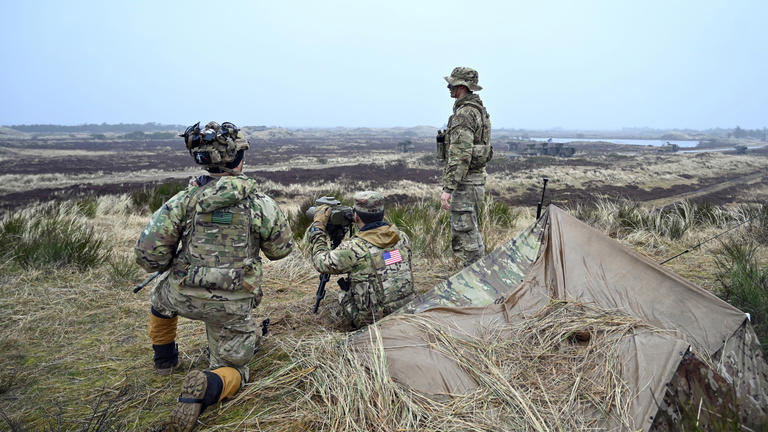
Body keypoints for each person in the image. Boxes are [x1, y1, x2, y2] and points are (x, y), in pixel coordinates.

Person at [134, 121, 293, 432]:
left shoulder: (183, 201)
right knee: (235, 368)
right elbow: (281, 250)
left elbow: (148, 255)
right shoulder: (260, 204)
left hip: (183, 295)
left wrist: (175, 260)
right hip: (232, 306)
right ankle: (208, 384)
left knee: (158, 298)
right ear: (238, 161)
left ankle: (165, 359)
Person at [306, 191, 415, 328]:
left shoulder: (354, 249)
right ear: (382, 214)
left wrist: (318, 227)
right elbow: (386, 258)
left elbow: (320, 262)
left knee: (344, 294)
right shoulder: (402, 237)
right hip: (408, 309)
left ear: (356, 217)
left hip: (374, 322)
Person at [438, 67, 493, 267]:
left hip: (465, 184)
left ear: (461, 86)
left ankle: (475, 281)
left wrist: (448, 189)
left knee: (465, 237)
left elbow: (460, 155)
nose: (448, 87)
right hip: (475, 181)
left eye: (451, 83)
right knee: (470, 232)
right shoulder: (478, 110)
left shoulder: (465, 114)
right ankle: (478, 275)